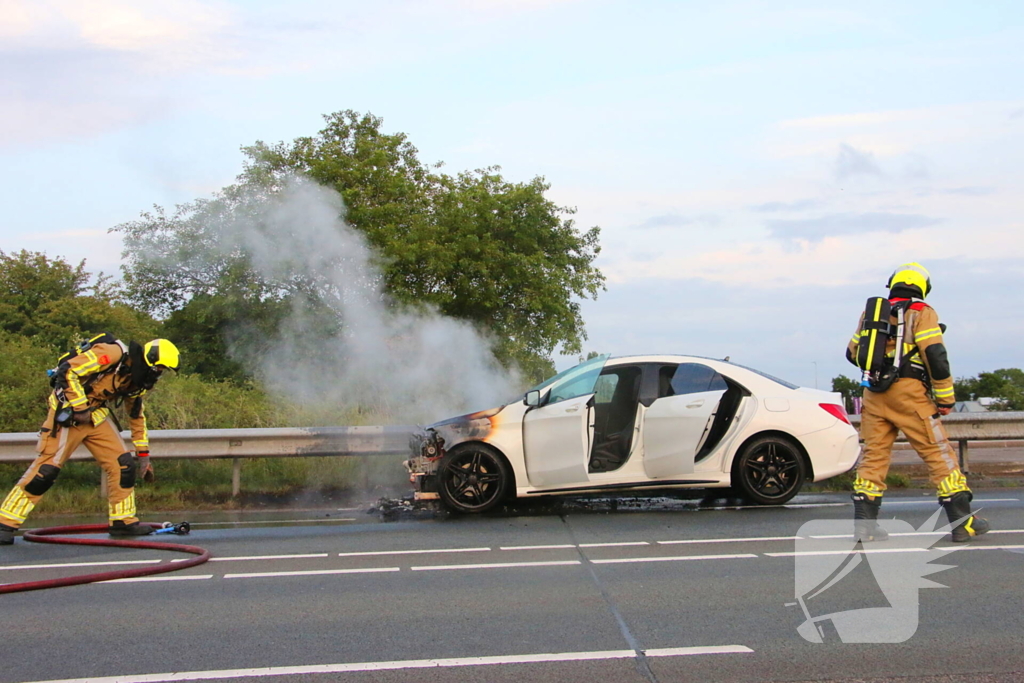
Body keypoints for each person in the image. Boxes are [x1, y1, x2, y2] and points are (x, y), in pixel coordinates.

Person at [846, 263, 989, 543]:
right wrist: (945, 397)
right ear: (922, 287)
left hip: (874, 394)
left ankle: (865, 527)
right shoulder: (922, 312)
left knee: (873, 457)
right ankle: (963, 523)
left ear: (894, 284)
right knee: (939, 454)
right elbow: (935, 355)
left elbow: (852, 353)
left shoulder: (872, 313)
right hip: (909, 393)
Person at [0, 337, 179, 545]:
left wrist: (144, 455)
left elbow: (136, 416)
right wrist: (80, 407)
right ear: (149, 360)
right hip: (68, 412)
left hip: (95, 415)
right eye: (159, 368)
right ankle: (5, 523)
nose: (158, 373)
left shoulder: (135, 381)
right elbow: (67, 372)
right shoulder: (111, 354)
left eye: (162, 370)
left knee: (123, 465)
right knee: (45, 472)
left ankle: (123, 522)